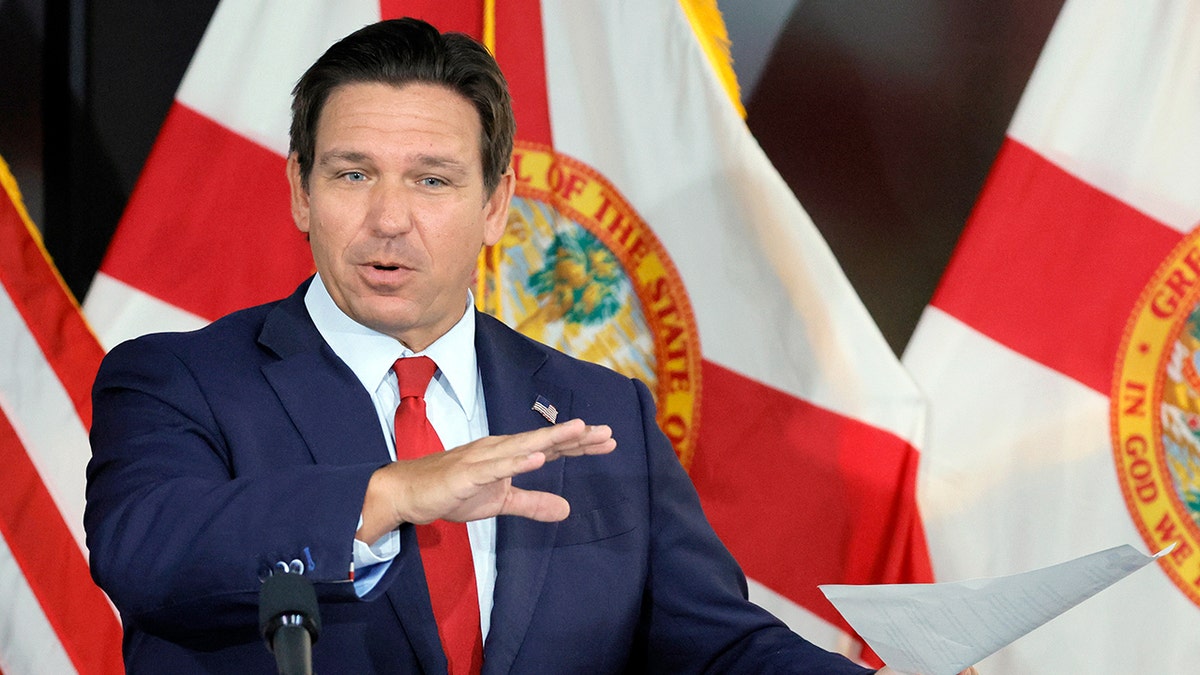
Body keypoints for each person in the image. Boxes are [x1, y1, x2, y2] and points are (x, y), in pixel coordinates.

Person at [85, 17, 977, 675]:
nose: (388, 218)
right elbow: (147, 551)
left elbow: (719, 644)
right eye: (352, 174)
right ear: (299, 190)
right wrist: (391, 493)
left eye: (432, 180)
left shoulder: (600, 410)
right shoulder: (180, 380)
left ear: (497, 204)